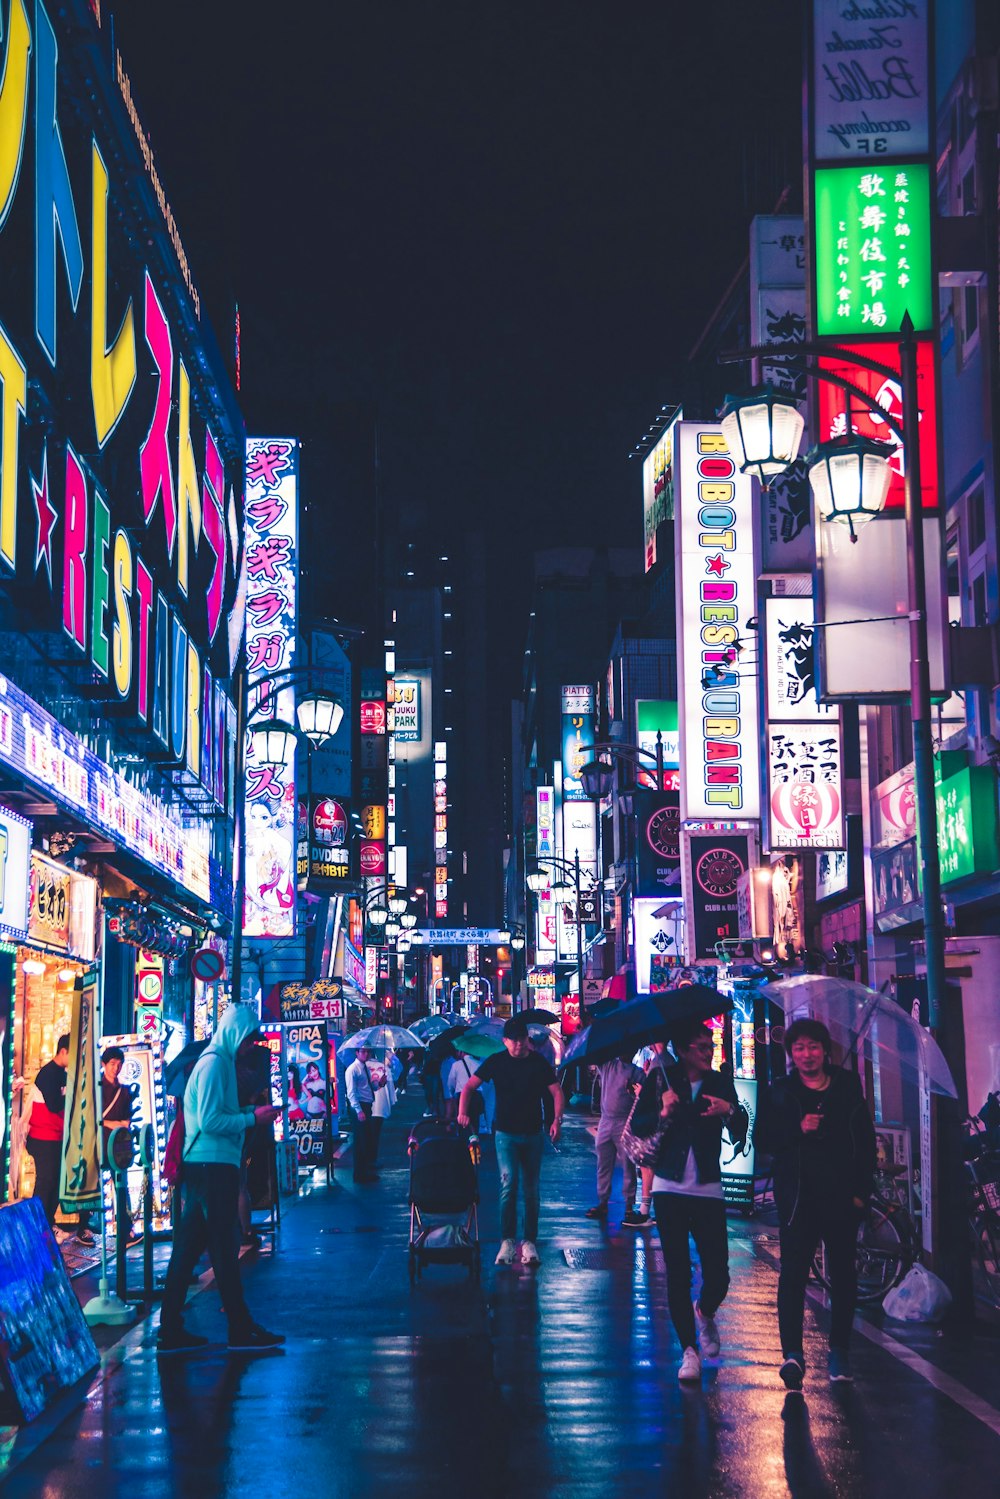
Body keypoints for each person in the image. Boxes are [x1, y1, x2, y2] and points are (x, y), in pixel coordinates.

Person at [158, 1005, 282, 1354]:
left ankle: (171, 1329)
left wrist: (248, 1114)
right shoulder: (214, 1064)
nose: (248, 1048)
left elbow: (218, 1115)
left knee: (190, 1249)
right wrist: (249, 1120)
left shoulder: (222, 1062)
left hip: (210, 1165)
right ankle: (239, 1328)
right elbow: (211, 1121)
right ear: (233, 1034)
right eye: (246, 1041)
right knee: (221, 1247)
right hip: (212, 1166)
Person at [760, 1018, 876, 1389]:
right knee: (792, 1274)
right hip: (798, 1199)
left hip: (841, 1196)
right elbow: (764, 1140)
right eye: (799, 1048)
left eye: (813, 1047)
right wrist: (798, 1128)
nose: (806, 1055)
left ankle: (839, 1351)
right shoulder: (781, 1090)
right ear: (790, 1053)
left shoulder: (846, 1085)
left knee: (844, 1276)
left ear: (825, 1050)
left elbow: (864, 1139)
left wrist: (862, 1191)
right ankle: (792, 1353)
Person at [648, 1021, 748, 1384]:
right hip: (668, 1186)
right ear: (685, 1050)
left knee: (718, 1273)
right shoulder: (661, 1077)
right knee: (677, 1271)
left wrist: (730, 1111)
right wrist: (662, 1111)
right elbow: (642, 1125)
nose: (710, 1052)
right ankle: (688, 1350)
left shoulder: (720, 1081)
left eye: (711, 1045)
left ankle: (704, 1312)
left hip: (707, 1185)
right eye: (702, 1047)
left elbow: (741, 1128)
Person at [458, 1016, 564, 1267]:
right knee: (508, 1185)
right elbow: (469, 1087)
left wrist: (557, 1120)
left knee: (531, 1190)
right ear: (505, 1042)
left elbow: (556, 1091)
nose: (519, 1045)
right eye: (514, 1041)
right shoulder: (496, 1061)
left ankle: (529, 1241)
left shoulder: (538, 1062)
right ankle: (507, 1240)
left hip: (533, 1133)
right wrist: (462, 1111)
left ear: (527, 1040)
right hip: (504, 1133)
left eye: (522, 1040)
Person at [25, 1033, 94, 1244]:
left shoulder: (65, 1073)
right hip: (42, 1138)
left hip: (57, 1138)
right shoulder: (48, 1074)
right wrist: (72, 1093)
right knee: (46, 1182)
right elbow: (55, 1105)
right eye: (73, 1054)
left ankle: (47, 1224)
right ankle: (37, 1228)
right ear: (63, 1051)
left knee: (55, 1183)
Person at [585, 1050, 643, 1225]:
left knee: (628, 1165)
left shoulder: (637, 1072)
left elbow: (644, 1097)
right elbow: (594, 1056)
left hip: (625, 1122)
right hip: (606, 1120)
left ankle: (628, 1206)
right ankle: (603, 1202)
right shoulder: (609, 1066)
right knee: (603, 1164)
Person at [344, 1046, 379, 1183]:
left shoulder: (365, 1068)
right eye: (363, 1051)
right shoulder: (352, 1069)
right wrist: (359, 1111)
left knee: (366, 1140)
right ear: (357, 1053)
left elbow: (368, 1088)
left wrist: (379, 1084)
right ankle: (359, 1174)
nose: (366, 1054)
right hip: (359, 1107)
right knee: (360, 1142)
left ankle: (365, 1172)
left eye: (368, 1051)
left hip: (366, 1106)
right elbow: (351, 1093)